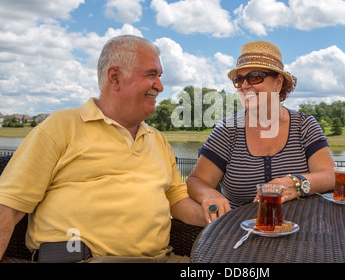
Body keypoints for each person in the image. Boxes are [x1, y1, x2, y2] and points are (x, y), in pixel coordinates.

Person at [0, 35, 206, 263]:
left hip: (163, 258)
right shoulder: (61, 126)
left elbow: (177, 201)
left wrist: (218, 214)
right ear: (115, 77)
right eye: (151, 74)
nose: (160, 85)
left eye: (159, 76)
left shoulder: (158, 139)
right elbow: (8, 208)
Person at [186, 40, 336, 223]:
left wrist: (293, 183)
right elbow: (196, 181)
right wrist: (208, 195)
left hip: (301, 230)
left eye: (255, 76)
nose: (244, 85)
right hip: (239, 234)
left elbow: (331, 176)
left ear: (278, 82)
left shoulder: (303, 125)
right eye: (238, 79)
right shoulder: (227, 129)